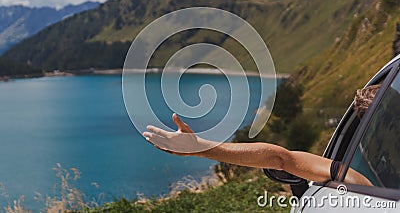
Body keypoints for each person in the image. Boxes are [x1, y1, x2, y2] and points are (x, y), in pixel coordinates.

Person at [143, 85, 381, 186]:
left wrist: (200, 147)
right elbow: (278, 158)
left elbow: (280, 159)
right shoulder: (363, 182)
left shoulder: (359, 181)